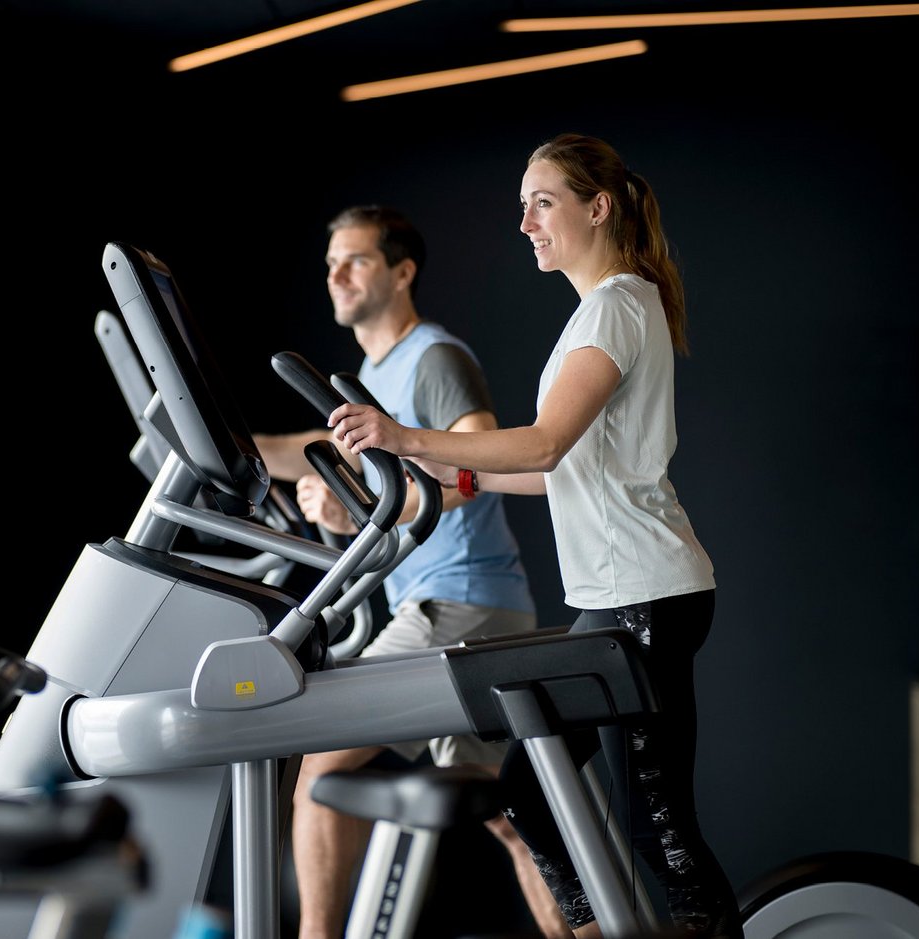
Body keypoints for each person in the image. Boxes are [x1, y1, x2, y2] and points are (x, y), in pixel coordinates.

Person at [325, 136, 743, 938]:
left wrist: (406, 437)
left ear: (598, 207)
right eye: (523, 205)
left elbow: (547, 442)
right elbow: (563, 470)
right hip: (626, 597)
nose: (525, 222)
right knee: (528, 788)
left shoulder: (617, 304)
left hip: (645, 595)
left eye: (542, 202)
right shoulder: (606, 309)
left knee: (662, 829)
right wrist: (466, 481)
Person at [252, 204, 572, 939]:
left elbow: (473, 462)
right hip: (469, 605)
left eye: (356, 259)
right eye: (330, 262)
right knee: (510, 817)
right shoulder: (371, 373)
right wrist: (248, 451)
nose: (336, 274)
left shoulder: (433, 356)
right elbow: (323, 450)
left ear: (402, 272)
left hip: (456, 605)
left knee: (322, 768)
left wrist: (366, 506)